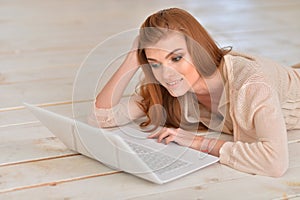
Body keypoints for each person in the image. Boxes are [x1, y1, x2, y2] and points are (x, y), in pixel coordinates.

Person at [92, 8, 300, 177]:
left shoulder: (251, 83)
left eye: (176, 58)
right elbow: (102, 117)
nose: (166, 74)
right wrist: (132, 59)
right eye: (155, 64)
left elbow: (274, 162)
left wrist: (197, 142)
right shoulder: (169, 90)